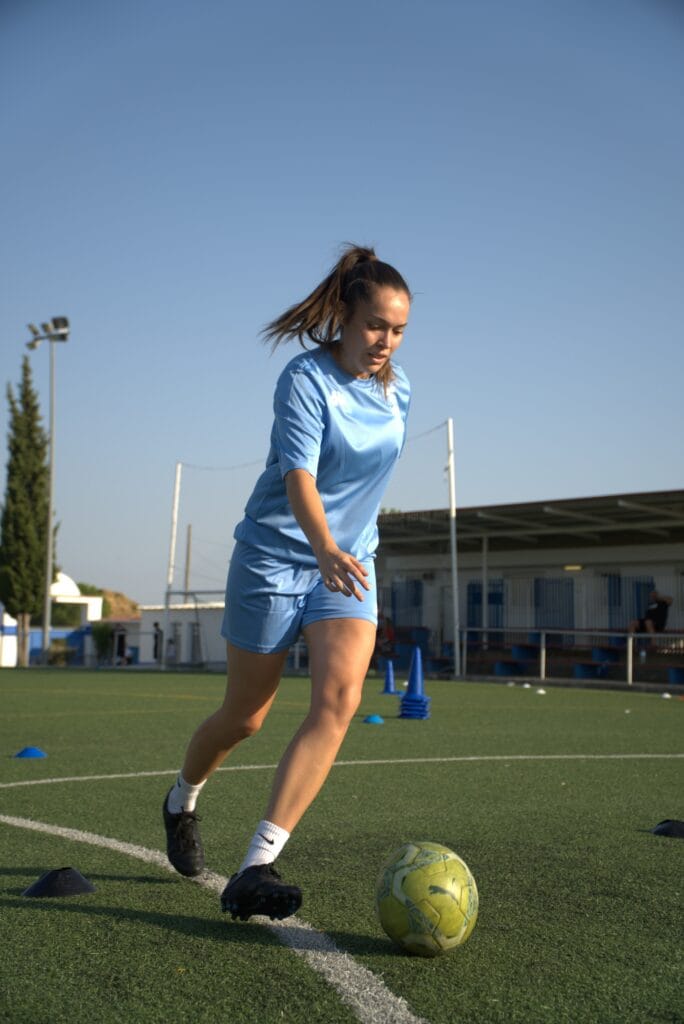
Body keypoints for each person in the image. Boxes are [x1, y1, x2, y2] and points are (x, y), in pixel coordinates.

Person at [162, 244, 412, 922]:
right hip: (276, 557)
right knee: (245, 717)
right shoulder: (305, 380)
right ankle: (181, 799)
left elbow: (366, 480)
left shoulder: (401, 389)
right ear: (344, 317)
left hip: (348, 566)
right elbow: (300, 475)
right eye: (374, 326)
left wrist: (340, 552)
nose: (385, 341)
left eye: (398, 330)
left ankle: (257, 864)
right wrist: (321, 544)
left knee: (340, 699)